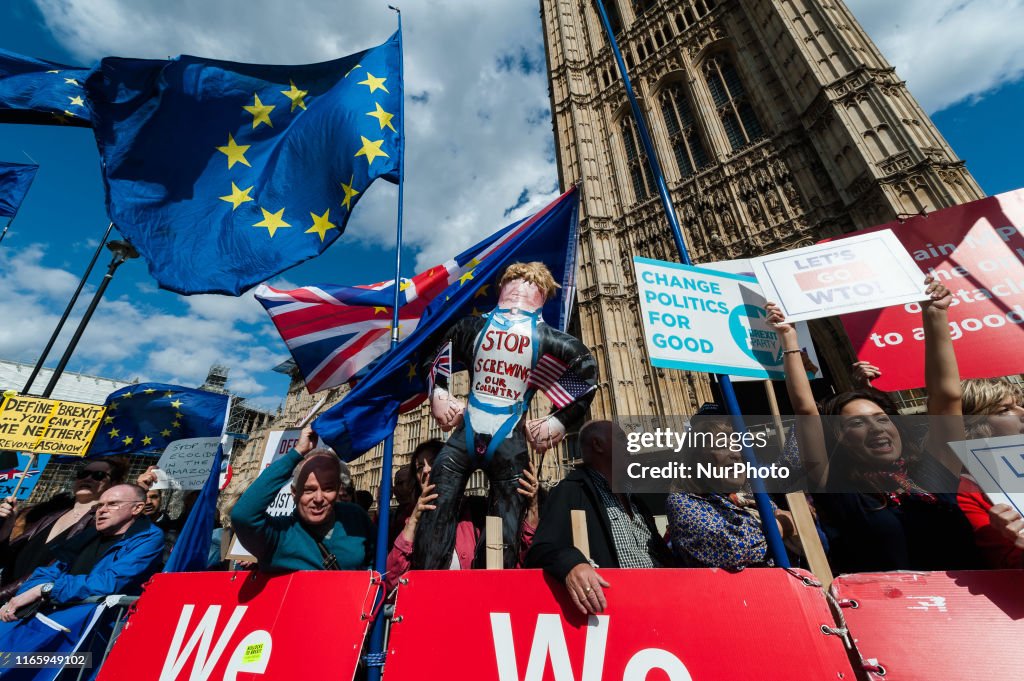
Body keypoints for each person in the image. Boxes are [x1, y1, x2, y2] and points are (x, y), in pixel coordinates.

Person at [769, 276, 983, 573]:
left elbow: (945, 399)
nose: (877, 428)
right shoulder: (840, 488)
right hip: (892, 612)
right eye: (858, 422)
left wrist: (935, 314)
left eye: (882, 419)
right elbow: (806, 412)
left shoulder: (931, 473)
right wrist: (788, 338)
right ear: (839, 438)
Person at [414, 262, 598, 570]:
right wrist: (439, 393)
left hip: (509, 436)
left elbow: (587, 375)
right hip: (467, 433)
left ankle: (494, 584)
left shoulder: (547, 337)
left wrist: (557, 420)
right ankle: (427, 578)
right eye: (514, 280)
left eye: (528, 283)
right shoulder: (472, 327)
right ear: (502, 286)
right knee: (436, 503)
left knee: (507, 523)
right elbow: (434, 351)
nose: (520, 287)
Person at [0, 484, 163, 671]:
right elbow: (48, 572)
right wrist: (28, 594)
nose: (102, 510)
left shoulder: (147, 538)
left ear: (137, 508)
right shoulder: (89, 534)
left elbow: (108, 583)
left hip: (89, 637)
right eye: (100, 505)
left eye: (112, 504)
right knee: (12, 667)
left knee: (51, 672)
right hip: (47, 623)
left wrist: (45, 590)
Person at [527, 420, 671, 615]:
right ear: (598, 444)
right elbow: (542, 548)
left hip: (663, 606)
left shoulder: (637, 502)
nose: (630, 443)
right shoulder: (571, 491)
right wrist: (573, 563)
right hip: (615, 611)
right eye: (621, 438)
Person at [385, 440, 540, 591]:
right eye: (419, 467)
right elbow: (393, 582)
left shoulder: (477, 511)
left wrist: (532, 507)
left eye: (433, 462)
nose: (426, 470)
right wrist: (413, 521)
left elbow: (518, 562)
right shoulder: (409, 521)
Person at [231, 425, 374, 572]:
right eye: (309, 490)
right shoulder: (279, 536)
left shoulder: (355, 517)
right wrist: (296, 453)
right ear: (294, 492)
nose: (318, 498)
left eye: (328, 489)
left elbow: (374, 564)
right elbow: (242, 515)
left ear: (338, 490)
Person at [666, 417, 798, 568]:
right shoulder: (684, 503)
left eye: (738, 447)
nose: (736, 454)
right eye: (722, 445)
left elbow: (803, 533)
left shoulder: (754, 499)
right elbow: (730, 547)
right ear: (696, 460)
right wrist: (781, 526)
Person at [0, 458, 126, 603]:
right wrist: (7, 528)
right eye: (83, 474)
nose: (88, 478)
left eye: (98, 475)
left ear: (114, 484)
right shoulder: (49, 515)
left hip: (35, 603)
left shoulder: (100, 524)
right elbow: (6, 559)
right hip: (7, 598)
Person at [956, 377, 1024, 568]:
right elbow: (1006, 564)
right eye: (1005, 410)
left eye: (1019, 405)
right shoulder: (966, 492)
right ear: (975, 426)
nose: (1022, 413)